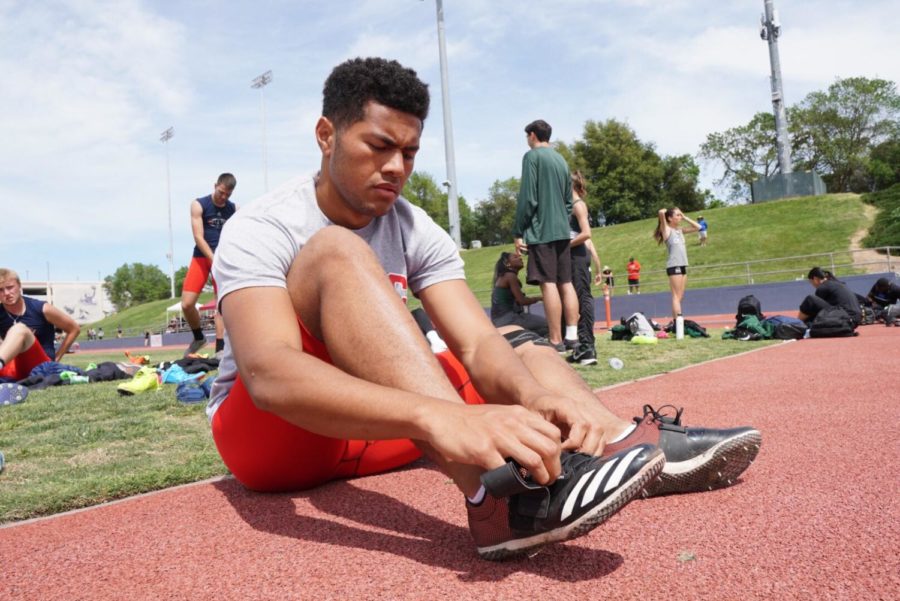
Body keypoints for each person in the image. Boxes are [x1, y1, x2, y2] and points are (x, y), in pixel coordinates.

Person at [207, 57, 760, 561]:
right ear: (326, 136)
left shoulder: (414, 226)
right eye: (378, 147)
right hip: (278, 438)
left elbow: (476, 343)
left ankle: (612, 445)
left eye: (410, 152)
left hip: (377, 430)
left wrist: (535, 398)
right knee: (335, 252)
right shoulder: (265, 224)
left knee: (524, 349)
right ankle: (501, 501)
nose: (397, 167)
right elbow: (269, 376)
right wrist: (442, 416)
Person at [512, 119, 579, 353]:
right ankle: (572, 337)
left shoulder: (531, 157)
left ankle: (555, 339)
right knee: (566, 282)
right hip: (562, 230)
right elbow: (569, 201)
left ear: (532, 135)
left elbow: (528, 197)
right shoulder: (561, 159)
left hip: (542, 231)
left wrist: (518, 230)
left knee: (548, 283)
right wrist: (561, 219)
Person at [181, 173, 239, 358]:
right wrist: (212, 259)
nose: (223, 197)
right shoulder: (199, 204)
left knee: (220, 304)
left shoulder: (234, 209)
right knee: (187, 304)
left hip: (223, 259)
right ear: (215, 185)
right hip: (202, 257)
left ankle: (220, 348)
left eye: (227, 195)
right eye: (221, 192)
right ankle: (199, 338)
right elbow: (198, 237)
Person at [0, 268, 81, 381]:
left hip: (39, 366)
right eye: (1, 290)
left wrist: (57, 357)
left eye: (10, 287)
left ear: (19, 286)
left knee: (19, 329)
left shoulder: (41, 308)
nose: (7, 293)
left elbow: (74, 329)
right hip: (12, 367)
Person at [566, 171, 598, 366]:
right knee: (573, 299)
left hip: (576, 255)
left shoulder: (578, 206)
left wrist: (564, 246)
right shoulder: (568, 206)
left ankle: (587, 346)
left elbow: (586, 234)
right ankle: (580, 346)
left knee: (583, 297)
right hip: (571, 255)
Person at [655, 207, 701, 320]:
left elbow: (698, 227)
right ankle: (678, 324)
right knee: (675, 296)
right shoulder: (666, 230)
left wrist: (685, 217)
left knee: (680, 296)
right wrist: (664, 212)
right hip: (674, 265)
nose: (680, 217)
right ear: (670, 218)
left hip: (683, 265)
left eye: (680, 215)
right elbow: (661, 213)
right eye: (678, 215)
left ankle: (676, 321)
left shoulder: (679, 230)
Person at [490, 252, 548, 337]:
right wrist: (539, 298)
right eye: (515, 257)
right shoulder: (510, 276)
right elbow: (522, 301)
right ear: (507, 263)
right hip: (508, 319)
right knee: (549, 325)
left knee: (542, 328)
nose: (520, 258)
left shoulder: (503, 277)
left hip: (498, 321)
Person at [798, 267, 862, 325]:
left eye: (811, 282)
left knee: (810, 300)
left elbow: (817, 311)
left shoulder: (822, 287)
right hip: (855, 318)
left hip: (845, 317)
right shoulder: (837, 284)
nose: (812, 285)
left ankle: (797, 323)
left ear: (815, 279)